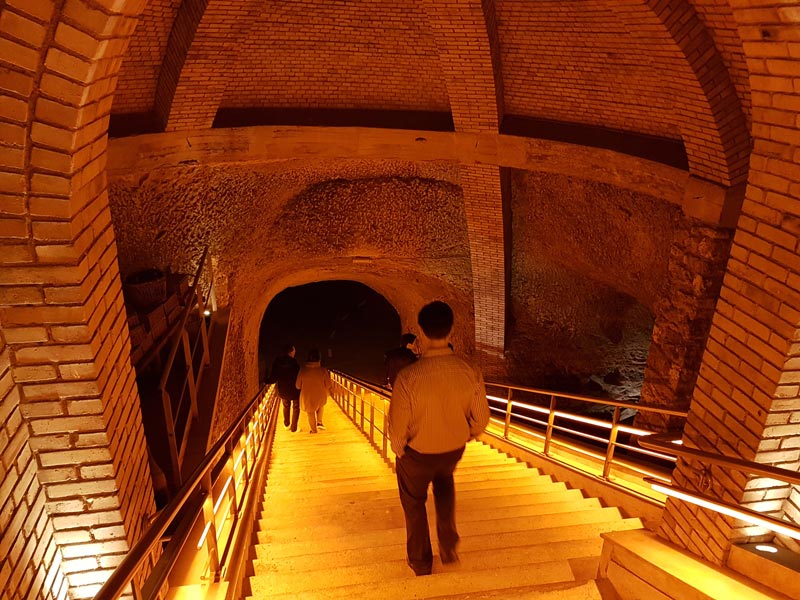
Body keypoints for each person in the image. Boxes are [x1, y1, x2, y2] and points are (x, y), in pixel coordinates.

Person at [387, 301, 490, 576]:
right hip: (452, 450)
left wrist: (400, 452)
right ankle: (448, 545)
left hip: (417, 455)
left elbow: (397, 431)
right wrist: (465, 435)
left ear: (420, 330)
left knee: (413, 502)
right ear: (452, 329)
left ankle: (421, 562)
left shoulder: (408, 378)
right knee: (445, 483)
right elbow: (481, 419)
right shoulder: (470, 371)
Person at [295, 348, 333, 433]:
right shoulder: (322, 370)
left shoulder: (303, 370)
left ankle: (314, 430)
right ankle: (319, 422)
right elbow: (329, 385)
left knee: (310, 412)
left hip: (307, 397)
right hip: (320, 395)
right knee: (320, 405)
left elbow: (297, 386)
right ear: (319, 358)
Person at [267, 343, 300, 432]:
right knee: (296, 407)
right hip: (295, 389)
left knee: (286, 405)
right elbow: (298, 375)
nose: (295, 352)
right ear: (291, 352)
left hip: (283, 389)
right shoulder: (294, 363)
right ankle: (294, 428)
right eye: (294, 350)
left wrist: (266, 381)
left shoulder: (277, 362)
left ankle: (286, 424)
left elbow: (273, 377)